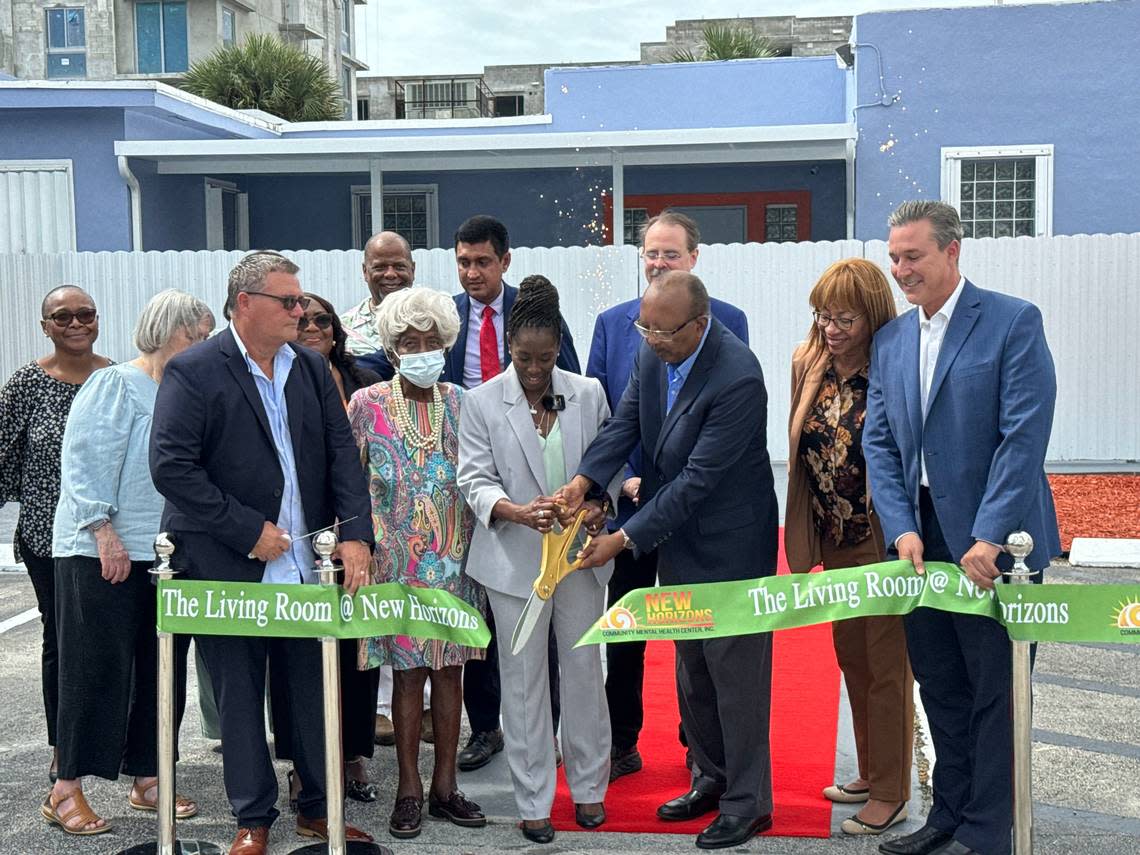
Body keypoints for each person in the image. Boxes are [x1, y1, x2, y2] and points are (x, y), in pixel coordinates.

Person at [149, 251, 376, 855]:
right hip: (230, 565)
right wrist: (246, 530)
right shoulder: (194, 370)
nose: (301, 312)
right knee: (241, 695)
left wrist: (356, 533)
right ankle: (253, 820)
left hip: (304, 565)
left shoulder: (306, 367)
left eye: (301, 301)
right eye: (289, 301)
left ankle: (317, 811)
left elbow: (340, 456)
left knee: (311, 690)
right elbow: (171, 468)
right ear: (245, 304)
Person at [557, 269, 779, 850]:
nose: (650, 340)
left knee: (736, 677)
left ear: (699, 325)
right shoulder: (654, 349)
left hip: (730, 544)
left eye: (663, 332)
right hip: (679, 540)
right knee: (693, 670)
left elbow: (697, 481)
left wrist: (626, 538)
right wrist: (585, 479)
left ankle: (748, 802)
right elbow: (625, 423)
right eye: (644, 329)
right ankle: (711, 777)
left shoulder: (738, 377)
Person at [864, 201, 1059, 855]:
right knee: (940, 685)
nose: (900, 269)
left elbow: (1022, 437)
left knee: (993, 693)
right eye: (893, 256)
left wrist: (990, 534)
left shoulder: (1011, 323)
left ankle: (987, 830)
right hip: (921, 545)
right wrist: (899, 527)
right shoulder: (891, 340)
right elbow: (881, 445)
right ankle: (947, 814)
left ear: (952, 252)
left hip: (996, 547)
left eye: (912, 255)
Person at [586, 209, 750, 781]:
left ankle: (700, 753)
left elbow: (711, 443)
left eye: (670, 254)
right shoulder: (615, 325)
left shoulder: (727, 327)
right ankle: (622, 741)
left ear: (693, 260)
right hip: (630, 501)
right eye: (651, 253)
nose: (658, 262)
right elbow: (613, 417)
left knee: (695, 639)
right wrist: (596, 483)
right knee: (626, 632)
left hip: (695, 515)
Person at [42, 290, 212, 835]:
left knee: (162, 670)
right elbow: (85, 461)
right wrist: (103, 532)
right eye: (196, 336)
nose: (202, 347)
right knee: (95, 670)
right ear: (165, 332)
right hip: (102, 550)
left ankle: (150, 774)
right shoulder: (114, 383)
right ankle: (65, 787)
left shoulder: (187, 390)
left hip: (165, 554)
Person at [457, 275, 614, 844]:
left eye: (545, 358)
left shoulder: (589, 392)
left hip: (578, 559)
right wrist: (515, 511)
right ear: (509, 348)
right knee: (522, 682)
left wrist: (597, 506)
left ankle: (591, 789)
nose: (534, 369)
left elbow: (608, 470)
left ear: (558, 350)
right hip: (512, 560)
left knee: (582, 674)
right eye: (524, 357)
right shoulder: (479, 401)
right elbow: (472, 478)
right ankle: (533, 801)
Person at [348, 286, 487, 840]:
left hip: (455, 561)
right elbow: (350, 485)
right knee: (406, 678)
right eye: (410, 341)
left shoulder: (463, 402)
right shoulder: (367, 404)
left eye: (433, 341)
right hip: (396, 562)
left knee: (450, 674)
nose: (423, 350)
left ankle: (445, 788)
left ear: (448, 344)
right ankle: (408, 789)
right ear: (392, 346)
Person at [784, 259, 912, 836]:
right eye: (823, 315)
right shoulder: (809, 362)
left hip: (880, 540)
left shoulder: (895, 366)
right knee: (852, 658)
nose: (831, 328)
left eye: (844, 318)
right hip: (833, 537)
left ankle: (892, 790)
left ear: (873, 317)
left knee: (889, 667)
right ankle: (869, 768)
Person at [447, 214, 578, 772]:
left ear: (505, 261)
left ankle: (544, 731)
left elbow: (567, 390)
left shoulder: (539, 319)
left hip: (535, 476)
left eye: (481, 262)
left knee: (538, 608)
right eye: (463, 262)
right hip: (471, 473)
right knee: (483, 607)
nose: (472, 272)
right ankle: (486, 727)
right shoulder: (447, 318)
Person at [0, 285, 112, 786]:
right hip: (49, 537)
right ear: (45, 326)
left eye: (84, 314)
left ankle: (123, 746)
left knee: (117, 644)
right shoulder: (25, 384)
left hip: (116, 535)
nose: (75, 323)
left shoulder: (118, 377)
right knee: (64, 643)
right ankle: (63, 745)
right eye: (61, 316)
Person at [280, 292, 382, 805]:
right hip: (301, 537)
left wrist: (359, 532)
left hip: (359, 532)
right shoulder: (282, 378)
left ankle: (352, 754)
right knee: (302, 657)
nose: (313, 327)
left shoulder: (364, 380)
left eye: (323, 319)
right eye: (304, 320)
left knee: (356, 652)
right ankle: (304, 765)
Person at [348, 231, 417, 385]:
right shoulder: (342, 329)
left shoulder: (436, 322)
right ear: (365, 271)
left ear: (413, 270)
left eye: (399, 266)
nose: (390, 274)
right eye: (380, 267)